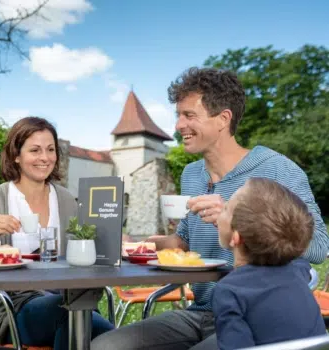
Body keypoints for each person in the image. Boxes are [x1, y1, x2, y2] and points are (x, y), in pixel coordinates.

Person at [91, 67, 329, 350]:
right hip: (203, 310)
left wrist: (238, 217)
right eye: (178, 115)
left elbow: (318, 247)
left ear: (223, 119)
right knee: (107, 346)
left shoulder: (277, 169)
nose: (178, 125)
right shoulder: (191, 174)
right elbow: (185, 241)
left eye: (189, 115)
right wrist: (146, 245)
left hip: (259, 312)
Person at [0, 116, 114, 349]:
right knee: (81, 322)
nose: (44, 158)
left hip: (69, 297)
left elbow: (84, 248)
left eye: (50, 150)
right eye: (34, 150)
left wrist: (108, 238)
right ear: (16, 155)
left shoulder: (66, 199)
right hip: (13, 306)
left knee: (77, 321)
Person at [214, 177, 326, 349]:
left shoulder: (230, 291)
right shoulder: (297, 271)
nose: (220, 210)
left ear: (236, 237)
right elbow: (302, 264)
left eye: (226, 207)